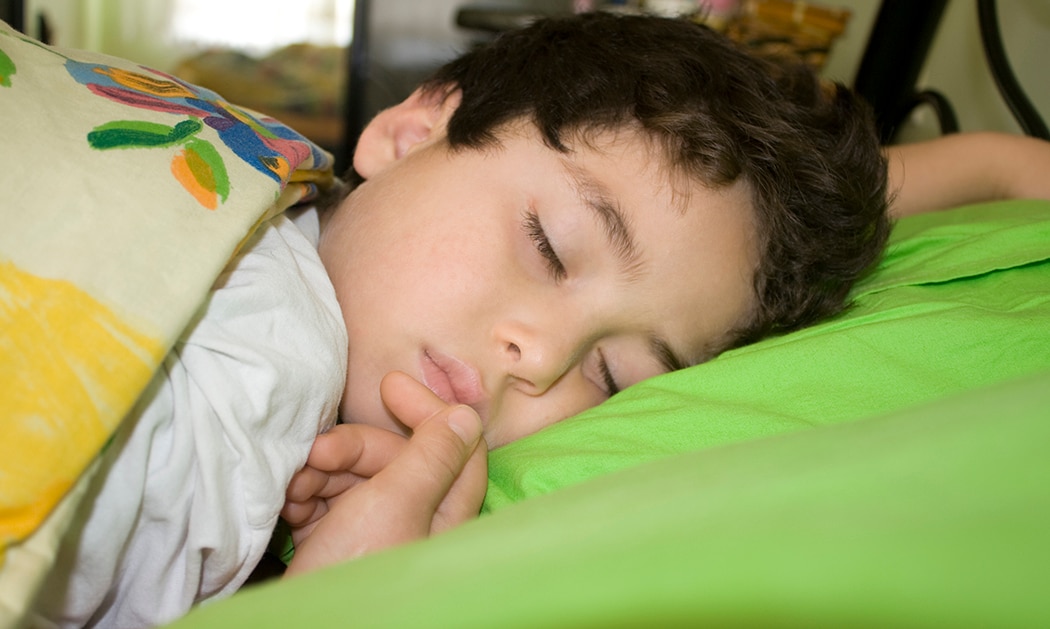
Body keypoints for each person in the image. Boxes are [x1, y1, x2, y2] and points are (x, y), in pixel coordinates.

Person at [32, 11, 1050, 627]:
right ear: (410, 128)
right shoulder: (267, 361)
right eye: (552, 247)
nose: (541, 352)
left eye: (611, 377)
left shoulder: (279, 246)